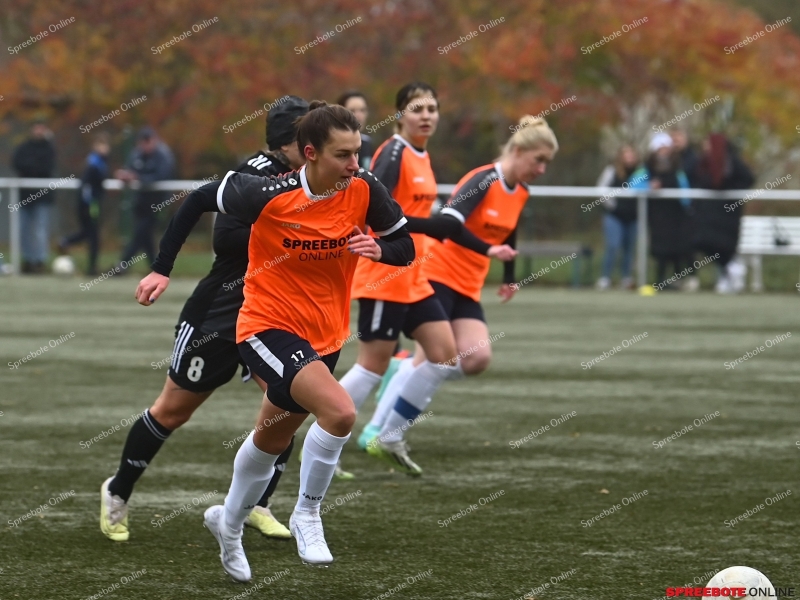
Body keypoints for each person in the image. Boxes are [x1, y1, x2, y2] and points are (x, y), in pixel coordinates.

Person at [134, 101, 414, 580]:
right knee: (341, 411)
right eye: (343, 155)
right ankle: (307, 513)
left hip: (325, 335)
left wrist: (380, 248)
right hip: (265, 325)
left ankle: (229, 522)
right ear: (310, 154)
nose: (355, 164)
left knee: (272, 436)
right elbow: (199, 199)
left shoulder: (365, 189)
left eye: (357, 152)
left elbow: (405, 247)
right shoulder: (265, 193)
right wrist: (162, 268)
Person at [100, 97, 310, 544]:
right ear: (290, 142)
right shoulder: (253, 175)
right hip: (220, 311)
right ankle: (117, 491)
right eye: (309, 138)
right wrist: (162, 267)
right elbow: (225, 234)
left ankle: (257, 504)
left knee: (288, 403)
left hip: (271, 312)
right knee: (172, 411)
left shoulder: (315, 176)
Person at [365, 116, 558, 471]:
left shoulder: (522, 192)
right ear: (517, 150)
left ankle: (402, 380)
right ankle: (380, 430)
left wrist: (510, 275)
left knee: (476, 359)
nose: (542, 168)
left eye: (547, 162)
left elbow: (507, 233)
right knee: (436, 358)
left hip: (469, 285)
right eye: (539, 159)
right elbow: (450, 226)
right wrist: (487, 249)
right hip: (437, 275)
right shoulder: (483, 179)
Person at [343, 83, 513, 475]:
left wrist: (468, 240)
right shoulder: (396, 152)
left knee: (444, 355)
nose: (426, 116)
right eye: (417, 108)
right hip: (385, 273)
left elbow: (427, 222)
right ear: (400, 114)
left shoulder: (422, 156)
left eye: (432, 109)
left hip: (414, 276)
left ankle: (390, 435)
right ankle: (324, 439)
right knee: (372, 366)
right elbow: (369, 201)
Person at [689, 133, 754, 293]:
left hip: (728, 215)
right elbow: (696, 179)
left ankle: (728, 273)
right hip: (709, 214)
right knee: (702, 242)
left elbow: (748, 179)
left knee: (724, 246)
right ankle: (730, 270)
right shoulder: (703, 162)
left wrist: (731, 193)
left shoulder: (731, 162)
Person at [629, 132, 692, 288]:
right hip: (656, 215)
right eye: (662, 147)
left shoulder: (677, 166)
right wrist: (649, 187)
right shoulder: (646, 168)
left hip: (676, 215)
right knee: (660, 248)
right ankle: (660, 280)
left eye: (667, 147)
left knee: (677, 247)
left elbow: (684, 189)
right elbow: (631, 185)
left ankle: (677, 280)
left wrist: (687, 206)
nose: (665, 150)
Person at [115, 127, 175, 270]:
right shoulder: (137, 154)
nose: (145, 145)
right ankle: (156, 268)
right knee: (145, 237)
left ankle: (122, 265)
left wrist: (138, 177)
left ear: (154, 140)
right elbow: (130, 170)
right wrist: (124, 175)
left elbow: (161, 176)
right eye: (143, 141)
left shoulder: (163, 155)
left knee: (140, 233)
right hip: (141, 201)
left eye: (148, 141)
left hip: (158, 202)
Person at [59, 132, 110, 275]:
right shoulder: (94, 163)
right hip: (90, 204)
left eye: (105, 145)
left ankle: (65, 242)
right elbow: (86, 186)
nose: (104, 148)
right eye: (101, 145)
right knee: (93, 235)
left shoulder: (100, 162)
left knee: (88, 234)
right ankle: (92, 268)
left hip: (92, 203)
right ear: (95, 146)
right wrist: (88, 205)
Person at [11, 120, 57, 274]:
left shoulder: (48, 148)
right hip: (24, 195)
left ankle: (39, 261)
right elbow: (18, 163)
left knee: (39, 229)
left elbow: (46, 167)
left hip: (42, 197)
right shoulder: (24, 147)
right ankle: (27, 260)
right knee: (23, 229)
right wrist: (33, 167)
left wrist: (31, 167)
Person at [595, 145, 640, 290]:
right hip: (614, 216)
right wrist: (613, 205)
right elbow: (601, 189)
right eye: (626, 155)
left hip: (633, 217)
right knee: (613, 245)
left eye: (631, 155)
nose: (629, 158)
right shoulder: (612, 171)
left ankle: (626, 278)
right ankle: (605, 277)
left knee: (629, 248)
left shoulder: (640, 173)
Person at [337, 90, 373, 169]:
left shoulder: (367, 142)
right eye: (352, 111)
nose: (358, 115)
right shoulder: (334, 144)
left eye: (362, 110)